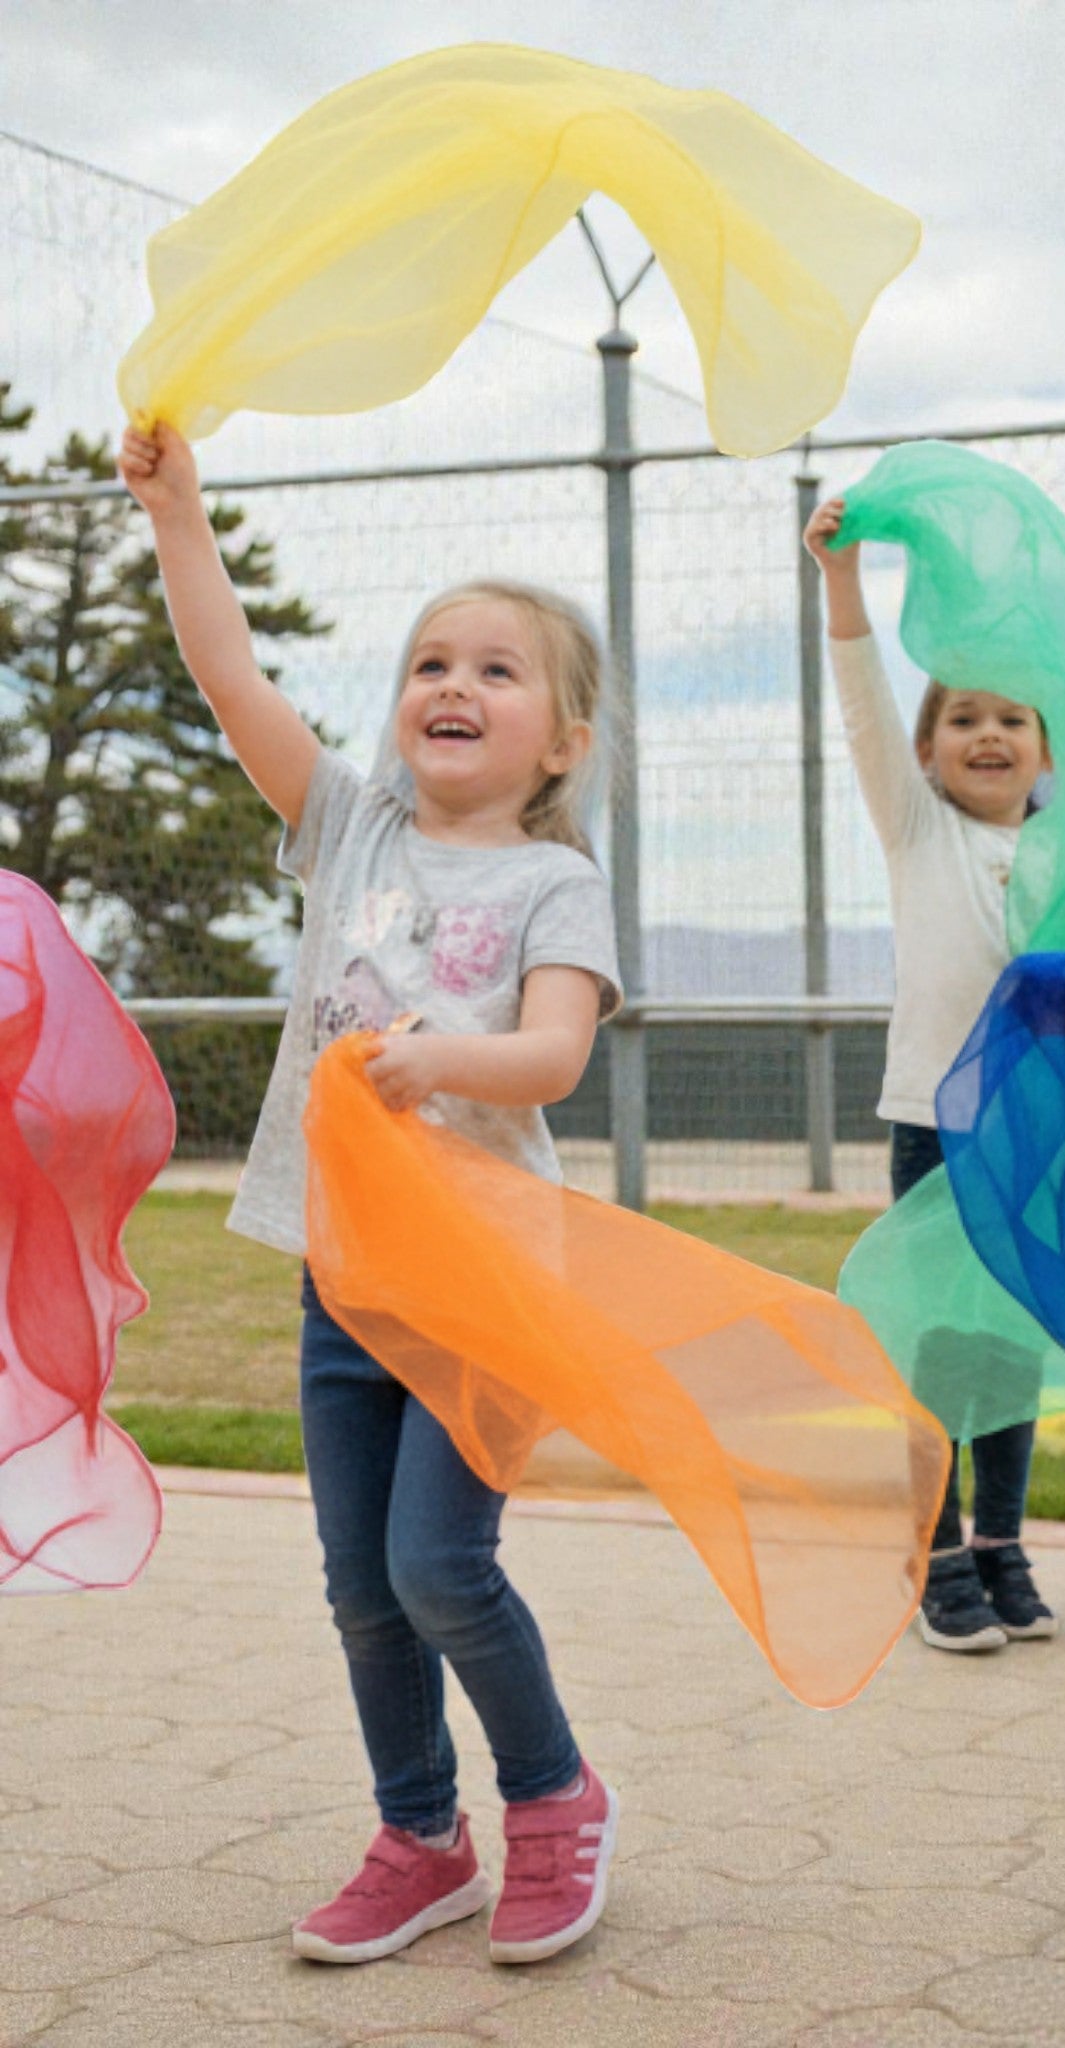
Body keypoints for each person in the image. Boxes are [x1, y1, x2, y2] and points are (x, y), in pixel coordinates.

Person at [119, 423, 623, 1965]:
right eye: (428, 664)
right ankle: (421, 1836)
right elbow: (228, 680)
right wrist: (179, 516)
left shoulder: (555, 881)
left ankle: (553, 1802)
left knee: (437, 1564)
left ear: (561, 740)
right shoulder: (349, 829)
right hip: (342, 1275)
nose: (452, 687)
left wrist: (445, 1053)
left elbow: (555, 1053)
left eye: (495, 670)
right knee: (358, 1586)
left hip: (482, 1279)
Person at [802, 491, 1057, 1653]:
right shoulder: (920, 832)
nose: (989, 734)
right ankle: (935, 1546)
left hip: (1040, 1136)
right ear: (927, 750)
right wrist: (842, 577)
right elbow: (858, 696)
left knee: (1010, 1345)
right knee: (936, 1348)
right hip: (934, 1128)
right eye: (963, 720)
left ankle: (1000, 1541)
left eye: (1013, 717)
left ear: (1051, 749)